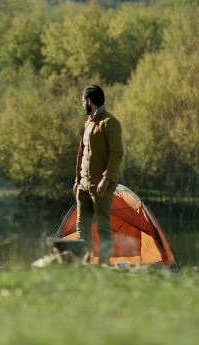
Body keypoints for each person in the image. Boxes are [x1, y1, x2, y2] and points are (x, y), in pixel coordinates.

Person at [73, 84, 123, 265]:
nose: (81, 104)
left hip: (101, 185)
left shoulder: (110, 122)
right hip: (83, 185)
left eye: (82, 101)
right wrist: (77, 181)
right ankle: (84, 263)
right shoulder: (88, 123)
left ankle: (104, 265)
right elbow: (82, 152)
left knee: (103, 228)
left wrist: (106, 178)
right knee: (82, 226)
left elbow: (117, 153)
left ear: (89, 101)